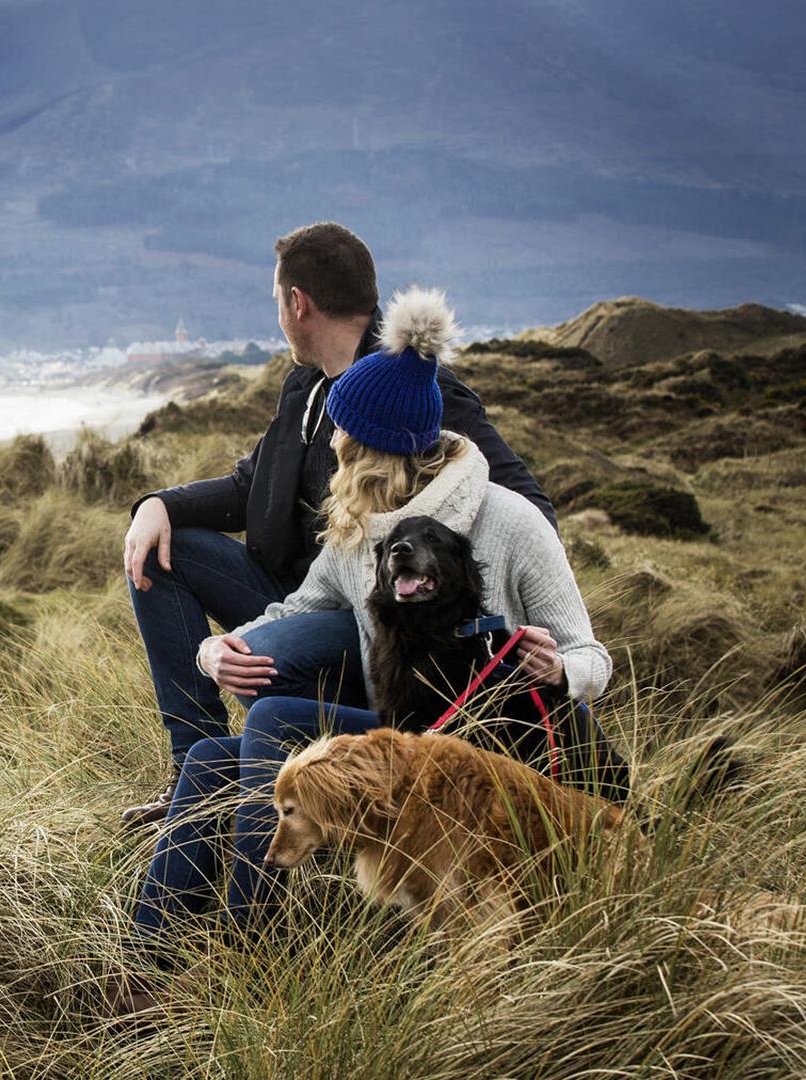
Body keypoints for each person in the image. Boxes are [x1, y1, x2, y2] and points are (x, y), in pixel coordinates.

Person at [128, 285, 612, 942]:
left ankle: (250, 943)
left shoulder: (511, 523)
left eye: (344, 442)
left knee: (271, 718)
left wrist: (560, 668)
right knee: (213, 757)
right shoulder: (358, 533)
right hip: (402, 734)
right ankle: (141, 962)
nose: (333, 453)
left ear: (376, 453)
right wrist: (218, 649)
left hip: (491, 754)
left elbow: (592, 655)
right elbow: (294, 608)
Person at [119, 222, 554, 826]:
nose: (277, 314)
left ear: (297, 302)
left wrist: (425, 589)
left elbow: (527, 506)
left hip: (376, 611)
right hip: (301, 589)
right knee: (163, 554)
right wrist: (159, 504)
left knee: (259, 663)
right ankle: (196, 772)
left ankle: (295, 783)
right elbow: (253, 487)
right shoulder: (305, 384)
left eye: (276, 300)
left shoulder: (409, 386)